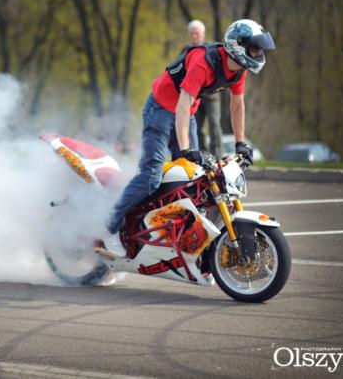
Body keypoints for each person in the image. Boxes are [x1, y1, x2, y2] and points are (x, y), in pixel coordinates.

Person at [103, 19, 275, 257]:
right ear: (238, 46)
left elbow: (237, 106)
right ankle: (110, 225)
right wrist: (186, 149)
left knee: (193, 178)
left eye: (260, 49)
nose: (259, 53)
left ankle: (169, 226)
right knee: (151, 176)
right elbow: (182, 104)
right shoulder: (203, 63)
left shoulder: (238, 70)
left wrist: (240, 143)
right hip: (161, 109)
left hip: (187, 113)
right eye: (255, 48)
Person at [186, 20, 222, 157]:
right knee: (196, 127)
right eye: (192, 33)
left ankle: (217, 154)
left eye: (197, 33)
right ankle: (203, 153)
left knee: (214, 124)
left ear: (203, 34)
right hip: (194, 96)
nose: (195, 36)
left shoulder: (211, 48)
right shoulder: (186, 50)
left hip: (211, 96)